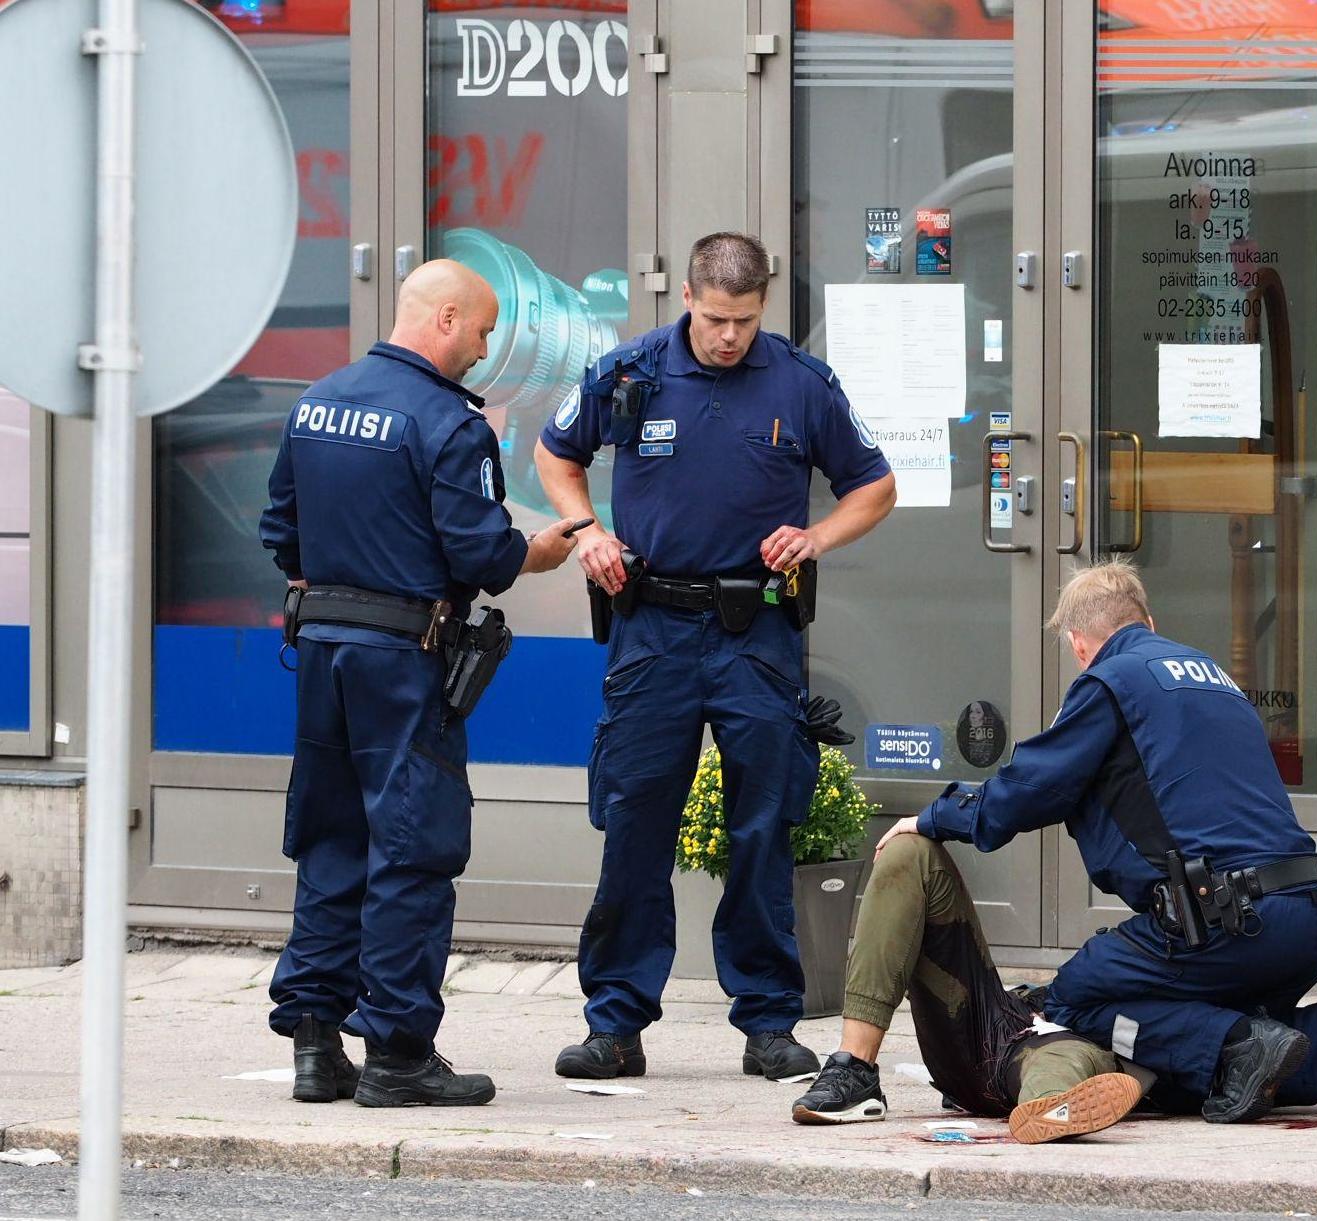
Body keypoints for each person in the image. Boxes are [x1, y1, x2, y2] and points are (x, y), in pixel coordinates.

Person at [794, 562, 1317, 1126]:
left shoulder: (1110, 681)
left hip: (1230, 924)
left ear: (1078, 643)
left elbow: (1030, 787)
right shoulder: (1212, 677)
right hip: (1308, 916)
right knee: (1204, 1057)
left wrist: (935, 815)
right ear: (1149, 621)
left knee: (1080, 1000)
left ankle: (1232, 1043)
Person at [534, 232, 897, 1082]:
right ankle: (615, 1022)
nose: (729, 335)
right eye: (716, 317)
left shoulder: (801, 385)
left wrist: (815, 536)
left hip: (756, 632)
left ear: (763, 305)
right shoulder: (629, 371)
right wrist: (587, 531)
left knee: (763, 824)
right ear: (689, 296)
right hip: (651, 625)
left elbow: (874, 487)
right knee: (635, 820)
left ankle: (769, 1021)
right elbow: (556, 455)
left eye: (745, 319)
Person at [260, 260, 578, 1107]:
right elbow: (481, 554)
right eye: (480, 331)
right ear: (443, 318)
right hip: (403, 662)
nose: (483, 351)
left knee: (331, 840)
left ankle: (316, 1044)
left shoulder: (316, 400)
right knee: (411, 845)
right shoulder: (448, 423)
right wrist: (534, 552)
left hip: (322, 653)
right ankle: (399, 1051)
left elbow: (279, 530)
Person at [788, 831, 1145, 1144]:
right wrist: (937, 818)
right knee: (909, 851)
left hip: (1069, 1048)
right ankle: (854, 1067)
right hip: (996, 1018)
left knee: (1060, 1063)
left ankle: (1051, 1109)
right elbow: (1029, 787)